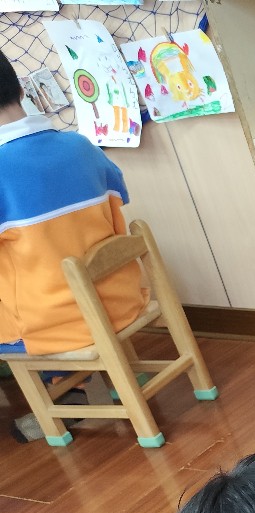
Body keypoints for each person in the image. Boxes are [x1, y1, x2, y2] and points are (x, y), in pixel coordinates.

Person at [0, 50, 146, 359]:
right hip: (123, 300)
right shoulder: (80, 145)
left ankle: (61, 376)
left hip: (55, 325)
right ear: (22, 90)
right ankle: (73, 376)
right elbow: (119, 200)